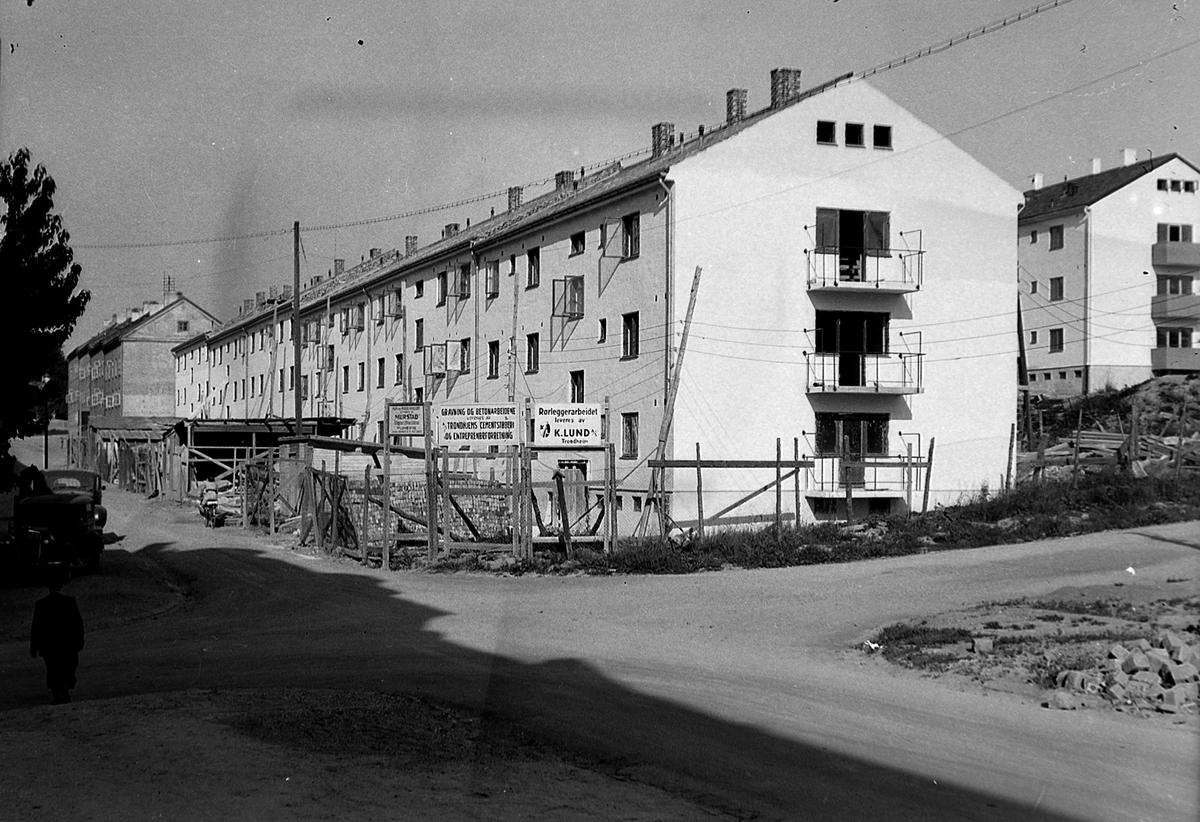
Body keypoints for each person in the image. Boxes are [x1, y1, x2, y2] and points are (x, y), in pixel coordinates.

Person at [29, 564, 85, 705]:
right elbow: (78, 624)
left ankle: (57, 693)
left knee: (52, 669)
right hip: (67, 644)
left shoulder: (41, 604)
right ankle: (64, 688)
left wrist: (33, 646)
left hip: (49, 645)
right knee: (67, 667)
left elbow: (35, 627)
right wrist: (80, 640)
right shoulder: (69, 602)